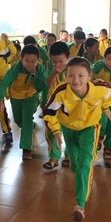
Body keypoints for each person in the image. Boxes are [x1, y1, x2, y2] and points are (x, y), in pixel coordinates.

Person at [43, 57, 111, 222]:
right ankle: (81, 175)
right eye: (71, 75)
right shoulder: (61, 92)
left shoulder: (100, 88)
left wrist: (105, 108)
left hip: (90, 128)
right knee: (75, 163)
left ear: (89, 76)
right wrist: (56, 131)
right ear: (65, 76)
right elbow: (48, 112)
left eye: (81, 75)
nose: (76, 80)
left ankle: (80, 205)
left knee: (85, 163)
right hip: (68, 128)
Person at [0, 44, 47, 160]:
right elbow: (4, 83)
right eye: (27, 61)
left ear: (38, 60)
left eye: (33, 61)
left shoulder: (40, 69)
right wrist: (0, 100)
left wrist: (34, 75)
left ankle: (26, 149)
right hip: (16, 96)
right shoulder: (16, 68)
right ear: (21, 59)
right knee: (18, 120)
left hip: (32, 96)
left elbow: (40, 87)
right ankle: (30, 126)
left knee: (26, 119)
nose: (30, 64)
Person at [41, 42, 70, 170]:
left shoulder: (74, 66)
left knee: (71, 131)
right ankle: (54, 157)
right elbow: (48, 83)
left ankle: (69, 156)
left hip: (71, 105)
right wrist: (54, 72)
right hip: (54, 103)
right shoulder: (49, 66)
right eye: (54, 62)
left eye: (61, 61)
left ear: (68, 57)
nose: (57, 64)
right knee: (52, 130)